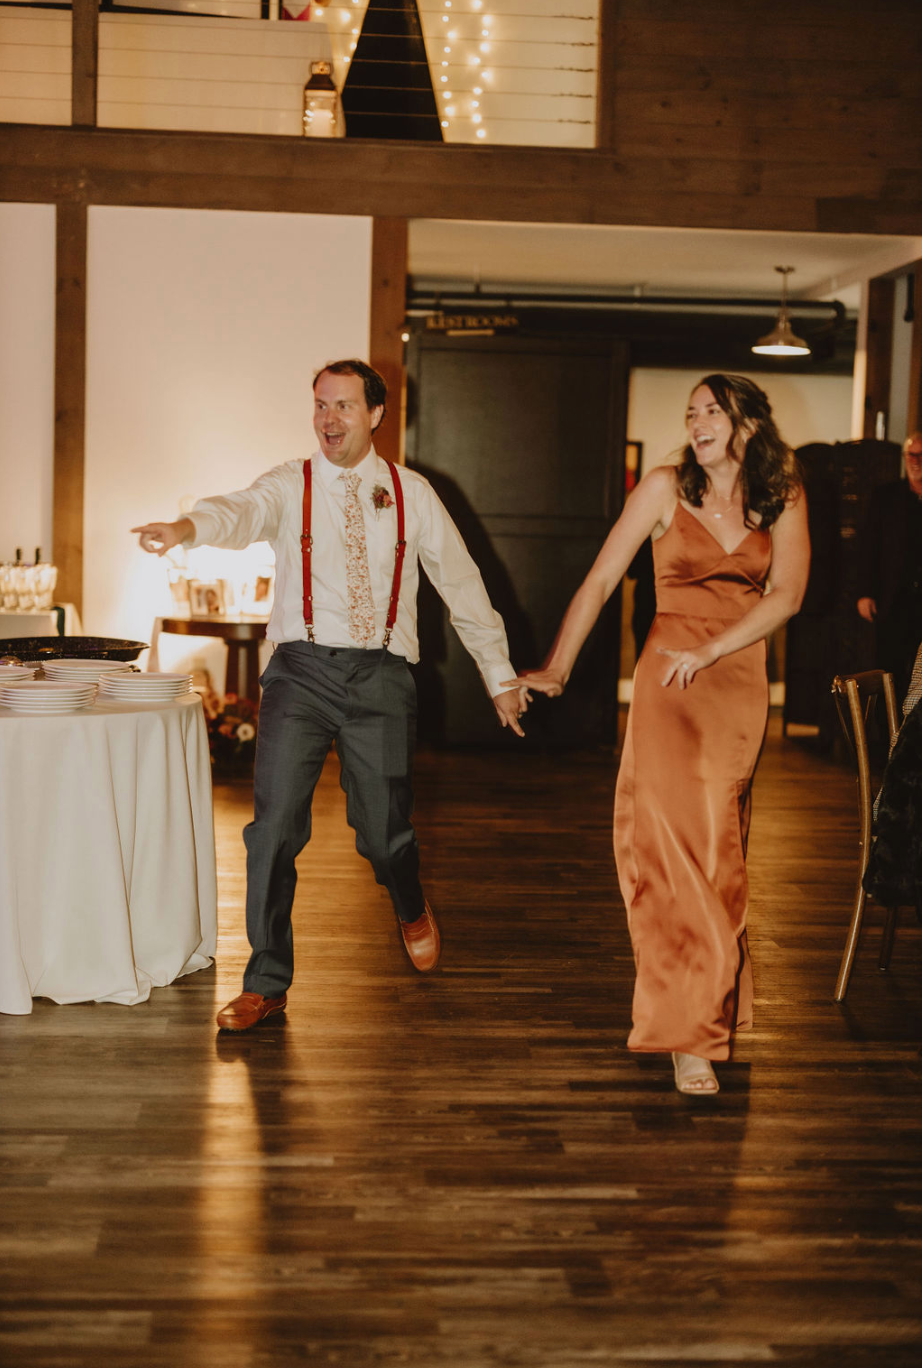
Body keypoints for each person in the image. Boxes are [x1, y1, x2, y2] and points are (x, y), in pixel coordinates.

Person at [133, 359, 530, 1032]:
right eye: (321, 404)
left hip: (381, 677)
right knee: (273, 829)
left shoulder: (413, 494)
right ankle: (266, 981)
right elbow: (242, 509)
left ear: (376, 414)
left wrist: (499, 677)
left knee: (381, 834)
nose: (329, 419)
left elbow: (462, 586)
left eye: (344, 406)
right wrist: (188, 529)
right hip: (301, 673)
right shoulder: (294, 483)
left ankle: (407, 899)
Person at [505, 375, 809, 1095]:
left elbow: (788, 595)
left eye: (713, 411)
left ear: (748, 423)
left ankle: (709, 1005)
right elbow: (601, 579)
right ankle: (689, 1035)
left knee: (720, 847)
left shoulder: (784, 492)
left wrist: (716, 649)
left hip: (736, 683)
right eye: (691, 412)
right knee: (674, 852)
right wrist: (557, 666)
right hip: (668, 681)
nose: (698, 422)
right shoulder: (666, 489)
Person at [856, 430, 922, 699]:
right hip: (894, 600)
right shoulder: (886, 497)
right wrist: (865, 592)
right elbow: (867, 548)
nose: (917, 461)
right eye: (912, 455)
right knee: (889, 671)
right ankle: (887, 736)